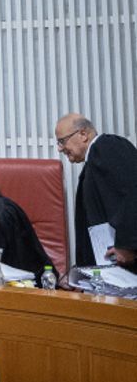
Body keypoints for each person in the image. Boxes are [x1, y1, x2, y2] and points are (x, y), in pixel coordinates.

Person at [55, 113, 137, 269]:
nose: (60, 148)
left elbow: (133, 192)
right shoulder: (94, 158)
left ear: (83, 134)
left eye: (62, 141)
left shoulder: (107, 146)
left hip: (128, 262)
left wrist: (128, 245)